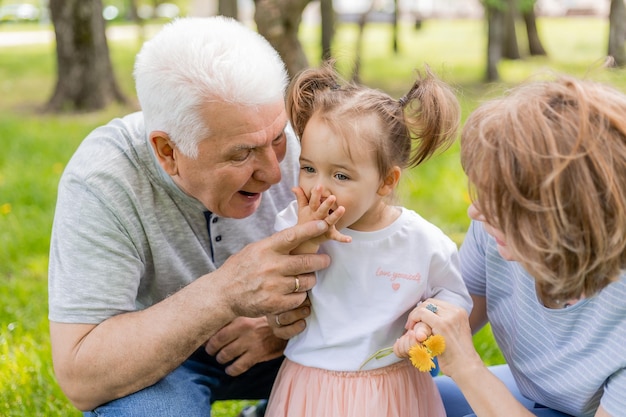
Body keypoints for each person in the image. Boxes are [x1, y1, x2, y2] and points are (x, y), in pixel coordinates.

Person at [48, 16, 338, 416]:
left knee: (391, 372)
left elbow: (388, 278)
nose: (273, 173)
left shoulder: (308, 151)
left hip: (295, 345)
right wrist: (225, 292)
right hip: (157, 364)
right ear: (167, 151)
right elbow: (81, 378)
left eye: (277, 139)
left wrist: (286, 329)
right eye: (241, 153)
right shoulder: (102, 180)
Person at [398, 74, 626, 417]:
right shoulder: (493, 232)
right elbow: (451, 315)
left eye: (501, 203)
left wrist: (467, 367)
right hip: (534, 391)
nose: (475, 211)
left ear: (563, 214)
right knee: (409, 405)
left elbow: (462, 361)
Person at [264, 63, 473, 417]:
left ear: (386, 182)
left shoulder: (421, 241)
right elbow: (279, 289)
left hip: (392, 388)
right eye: (309, 168)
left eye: (341, 175)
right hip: (312, 387)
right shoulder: (291, 223)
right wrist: (306, 239)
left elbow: (454, 296)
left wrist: (425, 323)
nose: (318, 187)